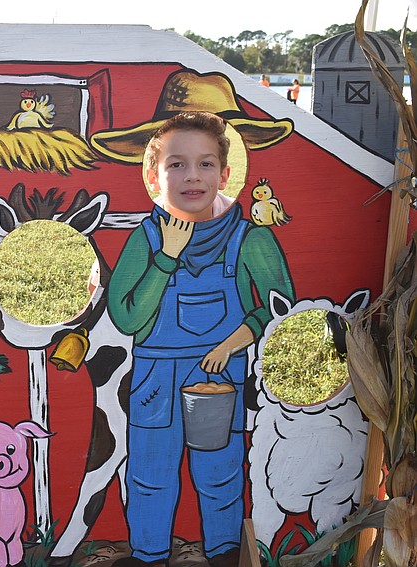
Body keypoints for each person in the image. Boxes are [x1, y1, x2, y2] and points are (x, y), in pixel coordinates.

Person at [107, 112, 294, 567]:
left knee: (219, 471)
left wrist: (232, 343)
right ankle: (148, 555)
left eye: (206, 164)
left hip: (218, 372)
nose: (193, 176)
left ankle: (224, 555)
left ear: (226, 174)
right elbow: (126, 315)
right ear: (155, 176)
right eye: (177, 164)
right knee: (150, 473)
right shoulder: (147, 238)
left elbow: (279, 307)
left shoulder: (250, 238)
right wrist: (167, 258)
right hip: (154, 377)